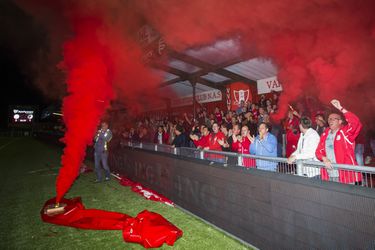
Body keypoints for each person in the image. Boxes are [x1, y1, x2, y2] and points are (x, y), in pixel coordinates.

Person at [315, 99, 362, 184]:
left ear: (340, 121)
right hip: (329, 174)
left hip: (345, 175)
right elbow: (318, 151)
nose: (330, 120)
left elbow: (356, 123)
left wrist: (341, 108)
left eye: (334, 119)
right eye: (329, 119)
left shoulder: (345, 132)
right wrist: (324, 158)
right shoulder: (325, 134)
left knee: (347, 197)